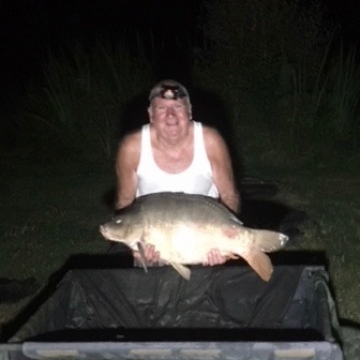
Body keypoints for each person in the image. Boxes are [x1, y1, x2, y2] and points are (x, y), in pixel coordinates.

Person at [114, 79, 240, 266]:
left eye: (178, 106)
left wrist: (227, 244)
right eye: (161, 108)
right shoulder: (132, 147)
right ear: (150, 114)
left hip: (205, 241)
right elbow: (124, 201)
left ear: (189, 111)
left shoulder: (210, 140)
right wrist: (135, 248)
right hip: (153, 243)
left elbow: (229, 194)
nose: (171, 115)